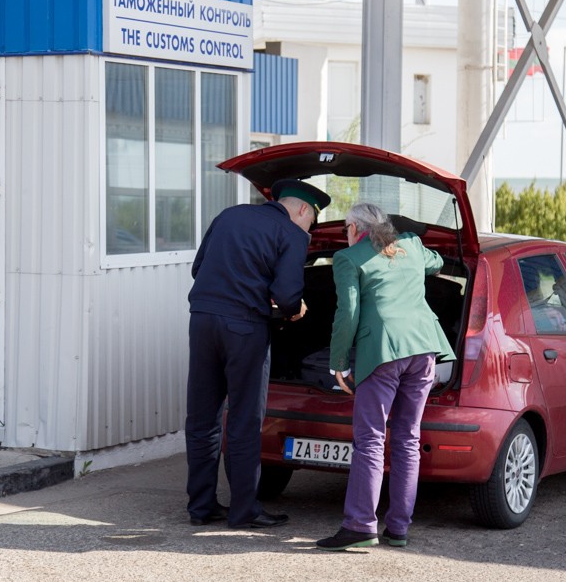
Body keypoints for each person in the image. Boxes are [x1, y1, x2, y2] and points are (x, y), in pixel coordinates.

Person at [185, 177, 330, 529]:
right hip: (244, 329)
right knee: (244, 419)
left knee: (202, 419)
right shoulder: (293, 234)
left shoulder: (229, 215)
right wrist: (296, 309)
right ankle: (244, 509)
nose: (310, 228)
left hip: (202, 321)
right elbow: (287, 294)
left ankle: (201, 507)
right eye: (312, 220)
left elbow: (197, 268)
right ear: (302, 209)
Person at [315, 202, 453, 551]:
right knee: (407, 438)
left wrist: (338, 363)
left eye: (345, 228)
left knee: (371, 439)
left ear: (355, 228)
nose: (343, 234)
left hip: (382, 354)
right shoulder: (411, 244)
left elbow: (347, 313)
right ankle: (399, 528)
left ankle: (361, 525)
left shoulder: (349, 259)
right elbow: (437, 263)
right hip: (423, 350)